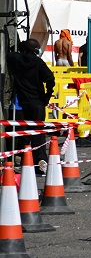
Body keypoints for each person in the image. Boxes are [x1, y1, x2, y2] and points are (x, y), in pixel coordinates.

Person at [8, 39, 55, 173]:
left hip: (22, 103)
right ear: (35, 50)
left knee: (24, 133)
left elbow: (10, 54)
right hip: (37, 102)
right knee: (38, 133)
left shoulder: (15, 60)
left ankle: (24, 161)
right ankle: (40, 161)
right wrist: (47, 95)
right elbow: (50, 79)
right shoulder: (38, 63)